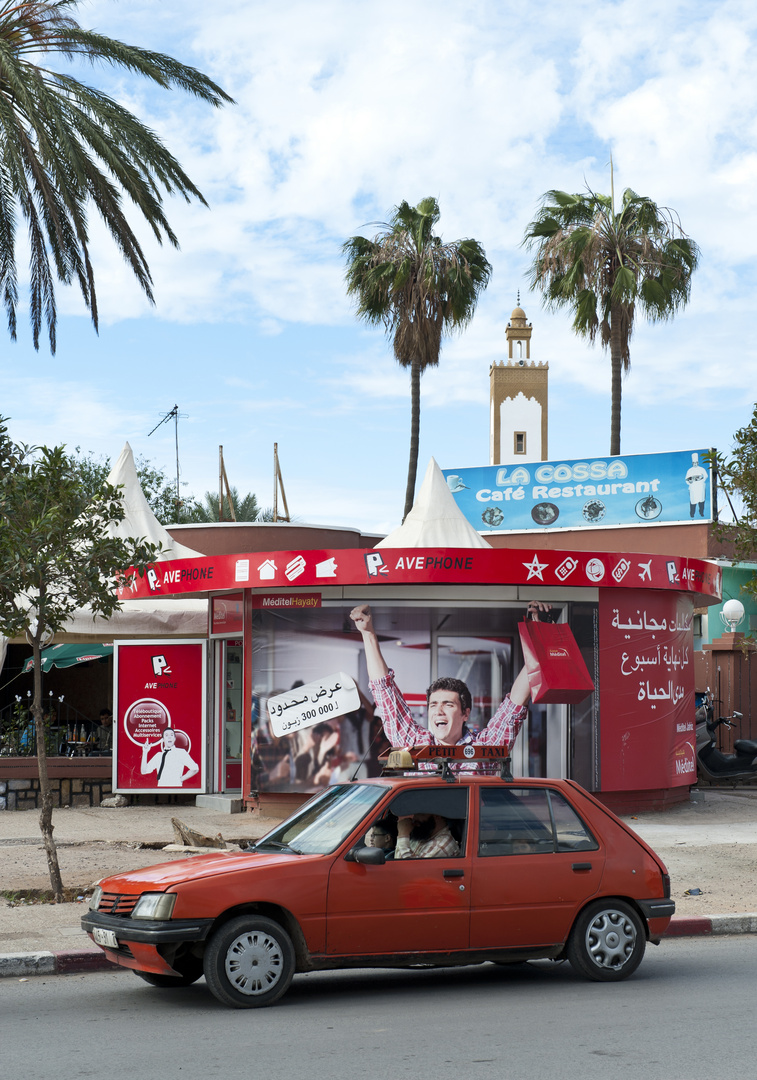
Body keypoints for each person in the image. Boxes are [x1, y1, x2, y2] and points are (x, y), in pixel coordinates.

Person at [349, 602, 548, 770]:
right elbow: (384, 691)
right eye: (433, 705)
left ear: (466, 714)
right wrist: (368, 634)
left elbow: (515, 704)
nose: (439, 711)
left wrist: (541, 636)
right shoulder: (416, 744)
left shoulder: (485, 746)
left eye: (448, 704)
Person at [395, 813, 459, 859]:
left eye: (420, 814)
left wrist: (403, 834)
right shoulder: (424, 835)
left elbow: (409, 870)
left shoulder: (441, 845)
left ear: (437, 815)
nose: (414, 818)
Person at [685, 452, 708, 518]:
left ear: (698, 463)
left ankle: (701, 512)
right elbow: (686, 479)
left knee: (701, 501)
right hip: (693, 488)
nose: (695, 464)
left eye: (696, 463)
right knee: (693, 502)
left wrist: (701, 479)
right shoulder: (690, 470)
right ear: (692, 463)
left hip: (700, 487)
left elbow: (706, 476)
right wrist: (690, 481)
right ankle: (692, 514)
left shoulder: (702, 469)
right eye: (694, 463)